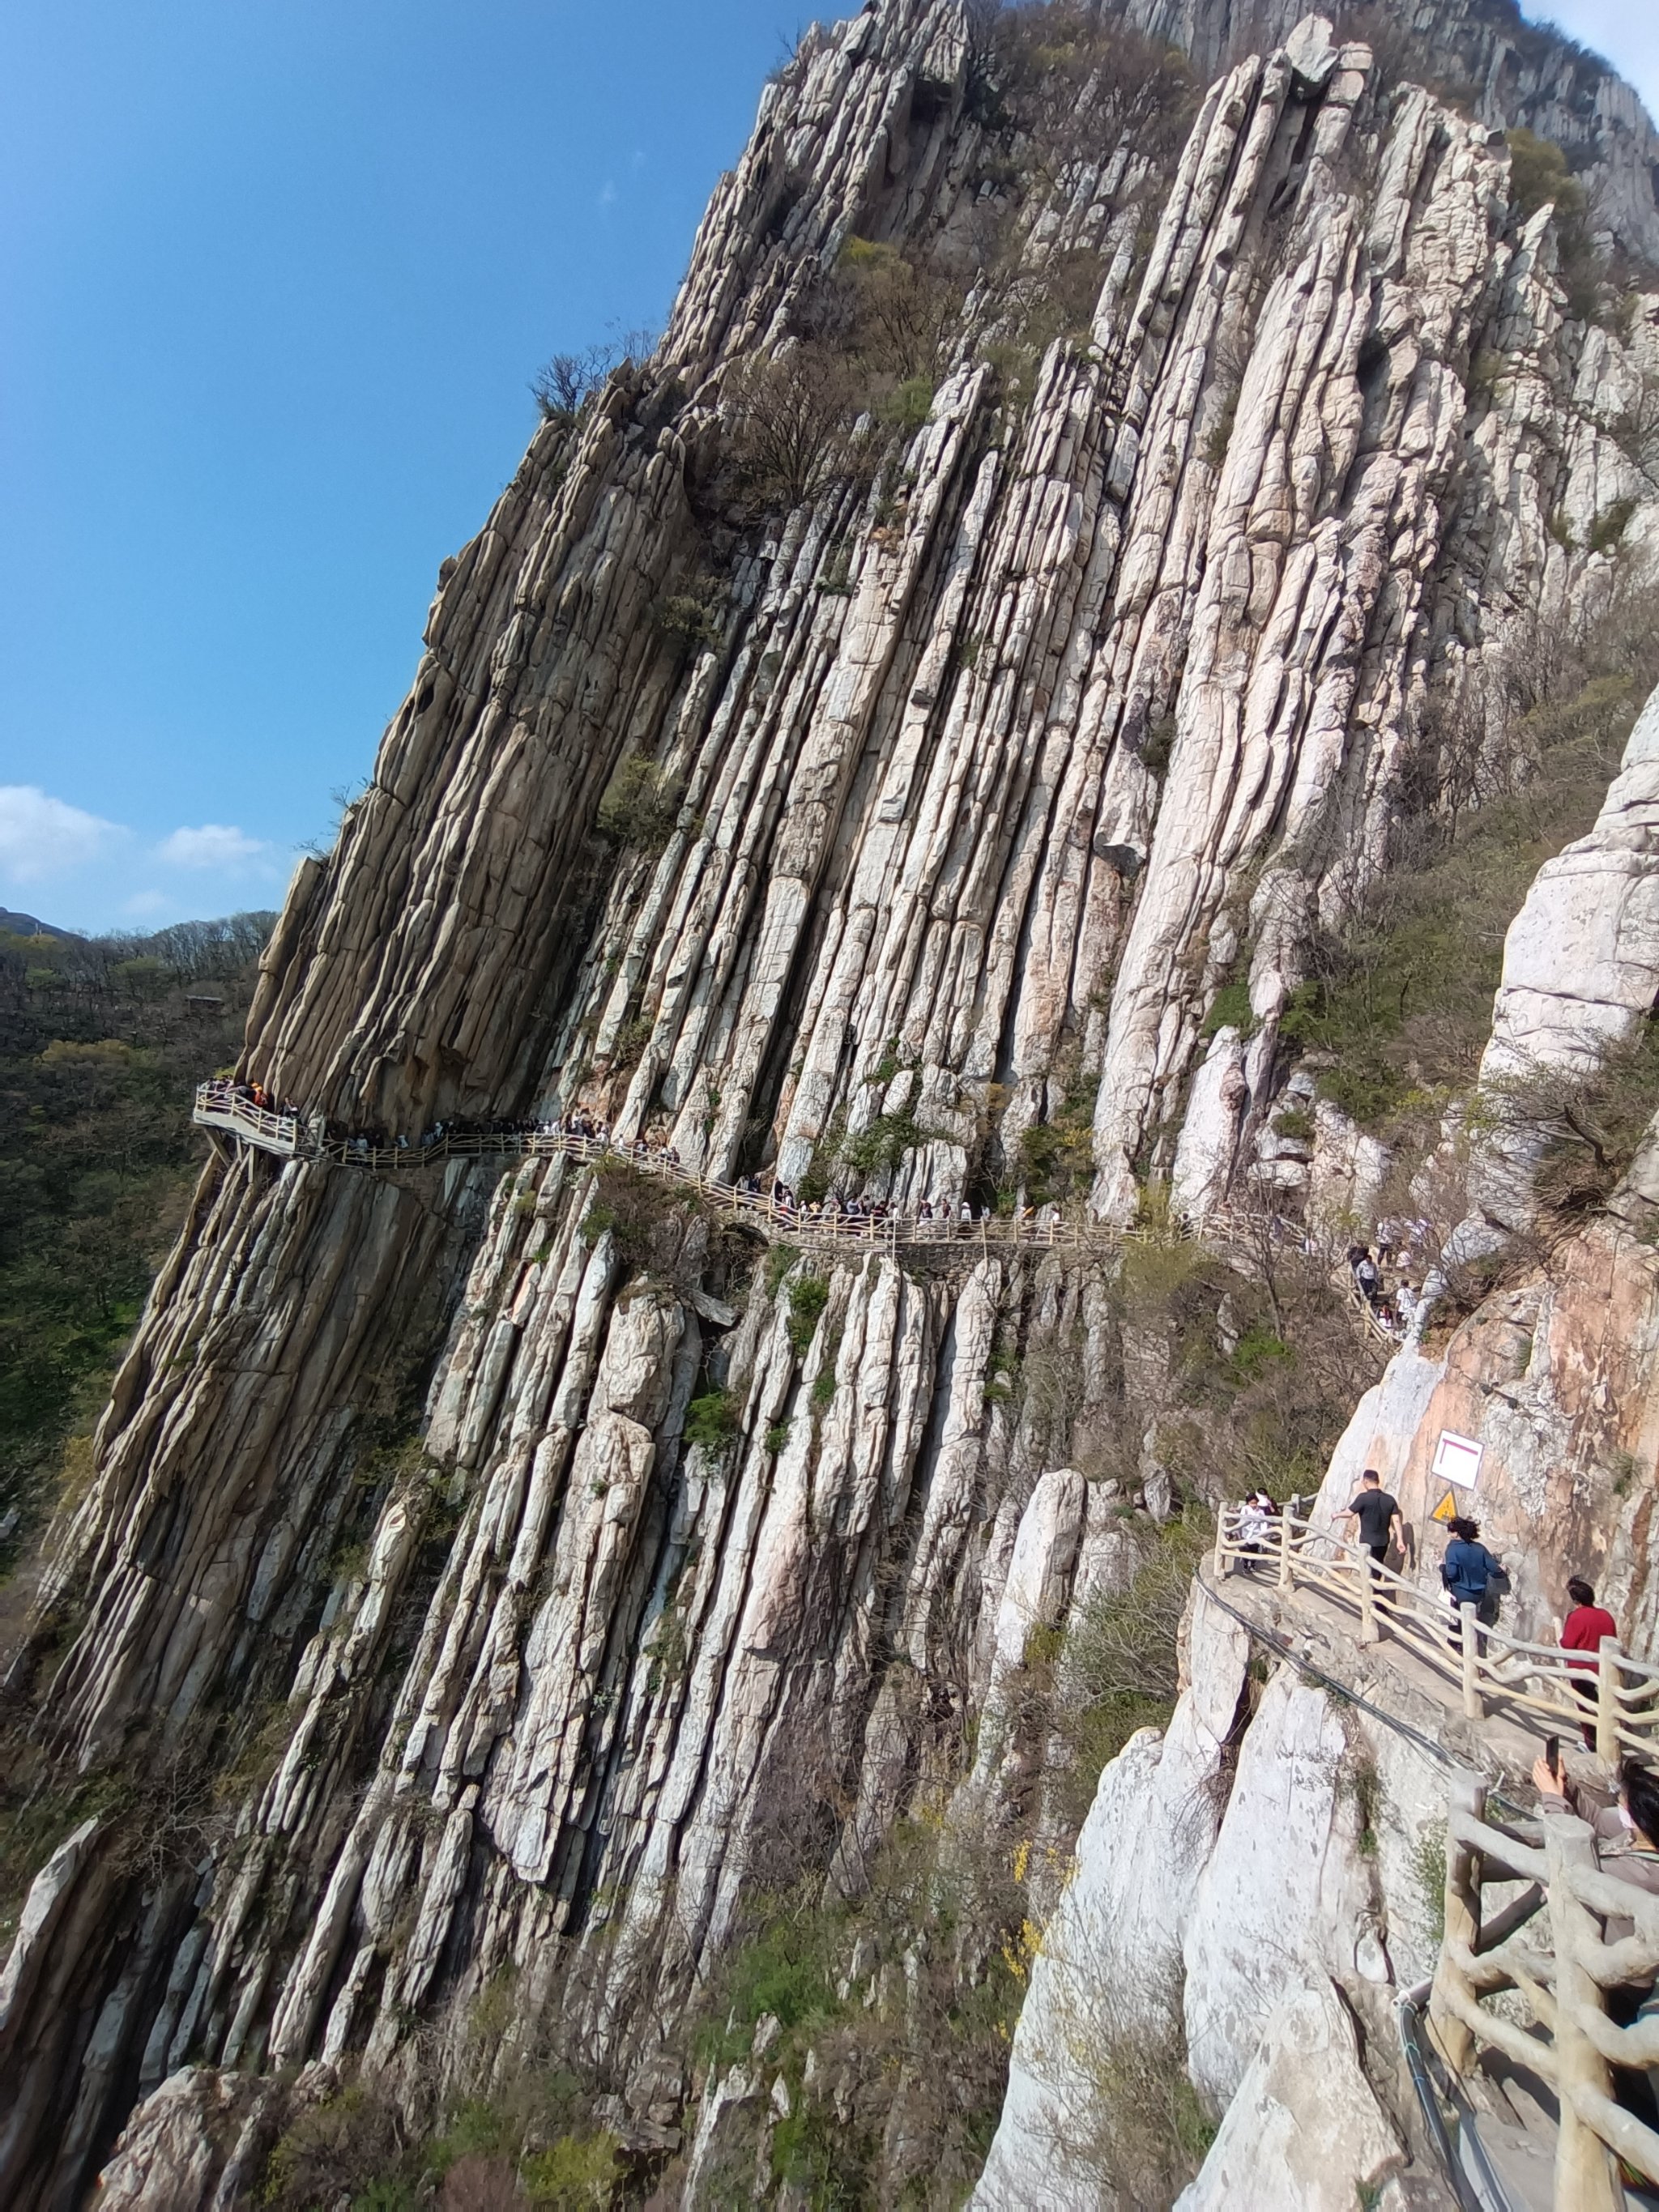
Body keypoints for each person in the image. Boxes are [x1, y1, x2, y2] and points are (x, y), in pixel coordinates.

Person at [1563, 1578, 1620, 1750]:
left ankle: (1592, 1744)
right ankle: (1607, 1739)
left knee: (1586, 1706)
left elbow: (1567, 1643)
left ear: (1575, 1600)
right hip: (1604, 1669)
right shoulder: (1605, 1615)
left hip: (1581, 1669)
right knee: (1603, 1705)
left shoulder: (1576, 1617)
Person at [1441, 1516, 1507, 1645]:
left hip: (1460, 1593)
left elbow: (1451, 1573)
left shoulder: (1453, 1549)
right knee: (1471, 1621)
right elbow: (1493, 1568)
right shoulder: (1479, 1548)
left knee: (1458, 1623)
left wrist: (1441, 1566)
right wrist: (1502, 1570)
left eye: (1450, 1531)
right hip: (1478, 1594)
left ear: (1457, 1533)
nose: (1448, 1534)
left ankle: (1459, 1649)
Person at [1339, 1468, 1402, 1575]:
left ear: (1366, 1481)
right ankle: (1376, 1590)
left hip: (1366, 1540)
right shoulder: (1390, 1500)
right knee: (1377, 1568)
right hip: (1382, 1541)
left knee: (1366, 1568)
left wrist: (1336, 1515)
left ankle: (1367, 1591)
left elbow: (1349, 1513)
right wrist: (1400, 1540)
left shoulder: (1363, 1498)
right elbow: (1397, 1521)